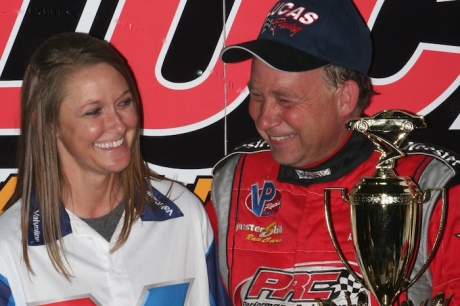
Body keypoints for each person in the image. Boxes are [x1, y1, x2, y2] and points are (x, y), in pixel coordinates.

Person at [205, 0, 460, 305]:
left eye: (285, 100)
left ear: (345, 98)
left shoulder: (428, 187)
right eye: (256, 96)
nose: (264, 119)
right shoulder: (234, 181)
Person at [0, 32, 230, 306]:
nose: (119, 124)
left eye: (124, 103)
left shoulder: (184, 216)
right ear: (47, 124)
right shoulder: (8, 248)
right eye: (94, 111)